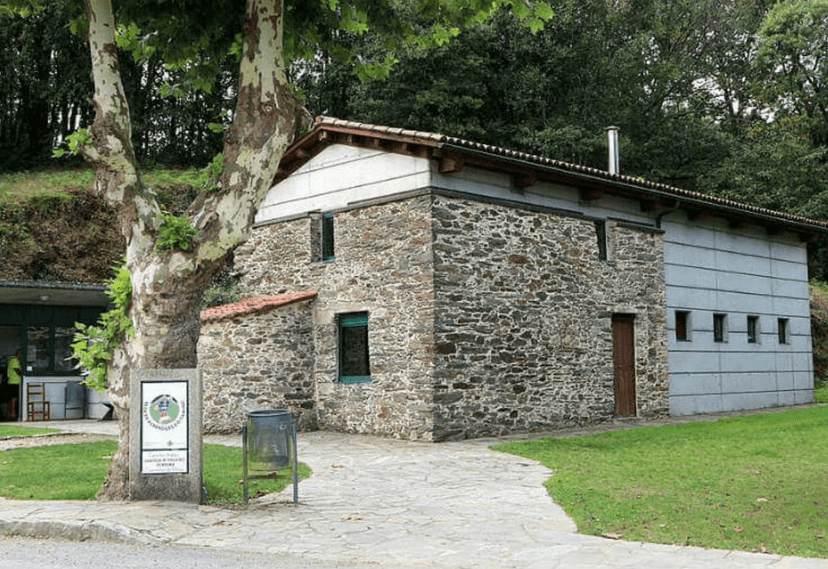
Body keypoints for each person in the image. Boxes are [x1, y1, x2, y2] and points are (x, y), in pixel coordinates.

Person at [6, 350, 22, 421]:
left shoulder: (18, 361)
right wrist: (23, 375)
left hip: (17, 382)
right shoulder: (14, 360)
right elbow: (17, 371)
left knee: (14, 398)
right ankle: (12, 414)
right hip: (13, 382)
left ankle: (12, 413)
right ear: (18, 354)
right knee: (13, 399)